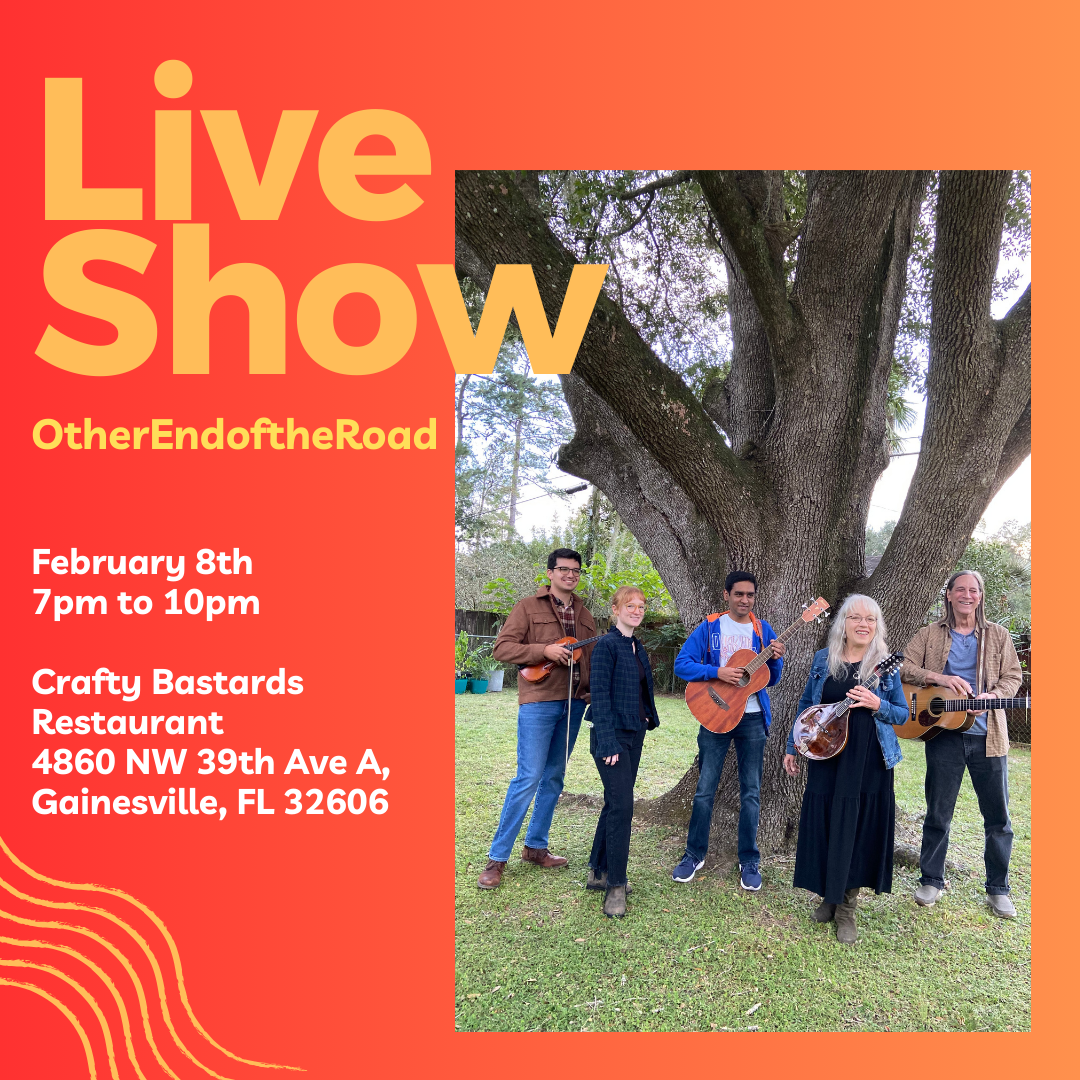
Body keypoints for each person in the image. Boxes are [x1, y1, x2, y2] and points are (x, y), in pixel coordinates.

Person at [782, 594, 908, 944]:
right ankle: (829, 896)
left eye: (870, 619)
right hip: (827, 755)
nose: (863, 624)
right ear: (843, 624)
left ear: (877, 625)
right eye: (855, 618)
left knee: (855, 829)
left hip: (867, 761)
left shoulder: (884, 665)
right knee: (826, 824)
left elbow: (902, 714)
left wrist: (877, 702)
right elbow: (809, 705)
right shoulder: (824, 659)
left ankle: (847, 907)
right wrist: (795, 745)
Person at [902, 569, 1024, 919]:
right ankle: (931, 880)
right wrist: (939, 678)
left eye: (973, 590)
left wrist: (993, 695)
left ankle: (998, 889)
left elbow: (1014, 676)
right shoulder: (929, 634)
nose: (967, 595)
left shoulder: (998, 636)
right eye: (960, 590)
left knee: (998, 817)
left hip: (989, 737)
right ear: (950, 595)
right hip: (942, 736)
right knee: (938, 813)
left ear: (980, 596)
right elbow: (904, 667)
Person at [477, 548, 598, 890]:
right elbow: (502, 648)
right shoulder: (527, 607)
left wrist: (591, 692)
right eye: (564, 569)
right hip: (539, 702)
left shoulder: (585, 613)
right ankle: (497, 858)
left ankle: (535, 847)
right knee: (528, 777)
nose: (570, 575)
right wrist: (543, 651)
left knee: (554, 778)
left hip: (574, 704)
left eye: (575, 571)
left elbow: (589, 659)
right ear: (550, 573)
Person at [670, 571, 785, 891]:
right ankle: (694, 854)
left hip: (752, 720)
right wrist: (718, 671)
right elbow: (682, 664)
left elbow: (768, 679)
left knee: (751, 792)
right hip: (715, 716)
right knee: (705, 789)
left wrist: (776, 661)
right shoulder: (710, 627)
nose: (744, 600)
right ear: (726, 595)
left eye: (750, 595)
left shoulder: (764, 631)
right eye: (738, 594)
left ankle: (749, 859)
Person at [586, 586, 660, 918]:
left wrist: (647, 717)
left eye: (641, 606)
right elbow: (599, 695)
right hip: (611, 737)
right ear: (615, 609)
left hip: (634, 733)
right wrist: (607, 741)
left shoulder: (636, 646)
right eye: (629, 605)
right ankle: (615, 885)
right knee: (623, 807)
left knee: (616, 801)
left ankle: (597, 871)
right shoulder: (606, 646)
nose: (636, 610)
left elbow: (642, 689)